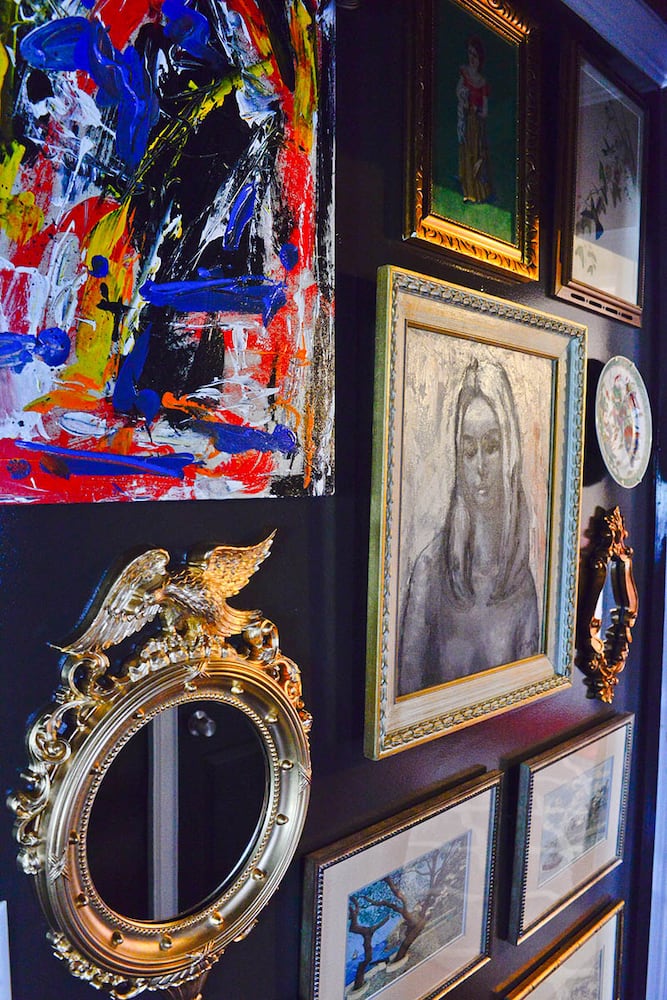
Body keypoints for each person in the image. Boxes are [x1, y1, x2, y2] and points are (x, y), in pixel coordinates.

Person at [398, 358, 539, 696]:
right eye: (469, 450)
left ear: (509, 455)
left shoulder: (521, 585)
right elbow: (405, 690)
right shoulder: (430, 570)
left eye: (491, 447)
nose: (480, 467)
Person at [456, 35, 493, 203]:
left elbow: (485, 110)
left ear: (480, 59)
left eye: (475, 55)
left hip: (476, 123)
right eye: (470, 54)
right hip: (465, 118)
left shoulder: (483, 83)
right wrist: (463, 101)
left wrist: (476, 111)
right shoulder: (464, 73)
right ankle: (467, 188)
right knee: (466, 151)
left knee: (477, 155)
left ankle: (476, 191)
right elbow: (459, 93)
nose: (472, 58)